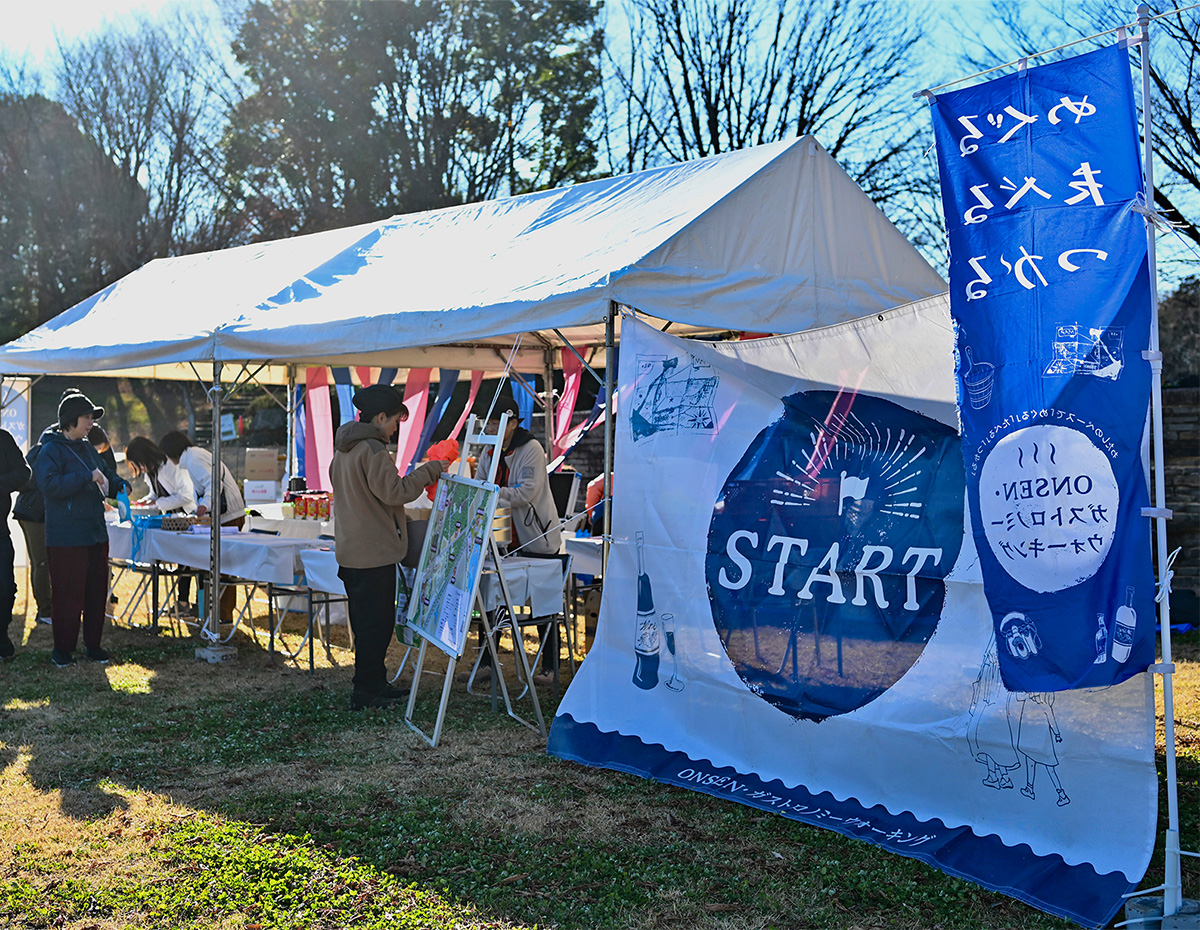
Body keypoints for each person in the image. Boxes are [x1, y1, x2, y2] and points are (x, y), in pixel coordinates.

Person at [329, 384, 447, 710]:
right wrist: (430, 471)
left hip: (352, 551)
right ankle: (366, 691)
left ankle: (374, 683)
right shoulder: (373, 449)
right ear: (381, 417)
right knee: (376, 627)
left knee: (367, 624)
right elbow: (395, 492)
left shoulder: (344, 448)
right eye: (395, 420)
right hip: (374, 553)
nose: (396, 428)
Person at [473, 388, 565, 686]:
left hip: (537, 537)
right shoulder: (487, 450)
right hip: (500, 539)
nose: (489, 429)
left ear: (512, 423)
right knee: (491, 599)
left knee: (544, 601)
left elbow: (526, 492)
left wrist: (489, 493)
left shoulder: (532, 449)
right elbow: (479, 486)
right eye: (487, 423)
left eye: (495, 423)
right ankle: (486, 662)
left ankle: (551, 667)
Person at [35, 393, 128, 666]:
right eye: (87, 417)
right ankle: (62, 649)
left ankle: (93, 645)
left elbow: (105, 473)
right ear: (70, 420)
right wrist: (86, 477)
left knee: (97, 591)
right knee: (66, 594)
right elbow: (49, 486)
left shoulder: (88, 448)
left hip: (95, 533)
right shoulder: (50, 450)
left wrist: (120, 484)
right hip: (65, 536)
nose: (91, 423)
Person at [13, 390, 90, 628]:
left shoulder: (54, 437)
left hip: (37, 510)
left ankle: (51, 607)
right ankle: (45, 610)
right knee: (41, 562)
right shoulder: (53, 443)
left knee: (47, 562)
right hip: (32, 511)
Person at [159, 430, 246, 621]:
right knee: (219, 566)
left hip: (228, 516)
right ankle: (215, 613)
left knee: (222, 567)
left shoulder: (194, 459)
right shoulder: (193, 457)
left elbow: (213, 483)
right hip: (226, 515)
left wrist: (205, 504)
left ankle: (222, 615)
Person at [0, 426, 32, 659]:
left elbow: (23, 474)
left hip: (0, 532)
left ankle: (1, 634)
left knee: (5, 587)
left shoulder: (3, 439)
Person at [124, 436, 196, 514]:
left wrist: (156, 503)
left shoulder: (170, 465)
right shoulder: (150, 471)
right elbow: (156, 495)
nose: (138, 469)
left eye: (138, 464)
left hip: (188, 515)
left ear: (145, 457)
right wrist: (145, 501)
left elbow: (186, 496)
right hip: (170, 519)